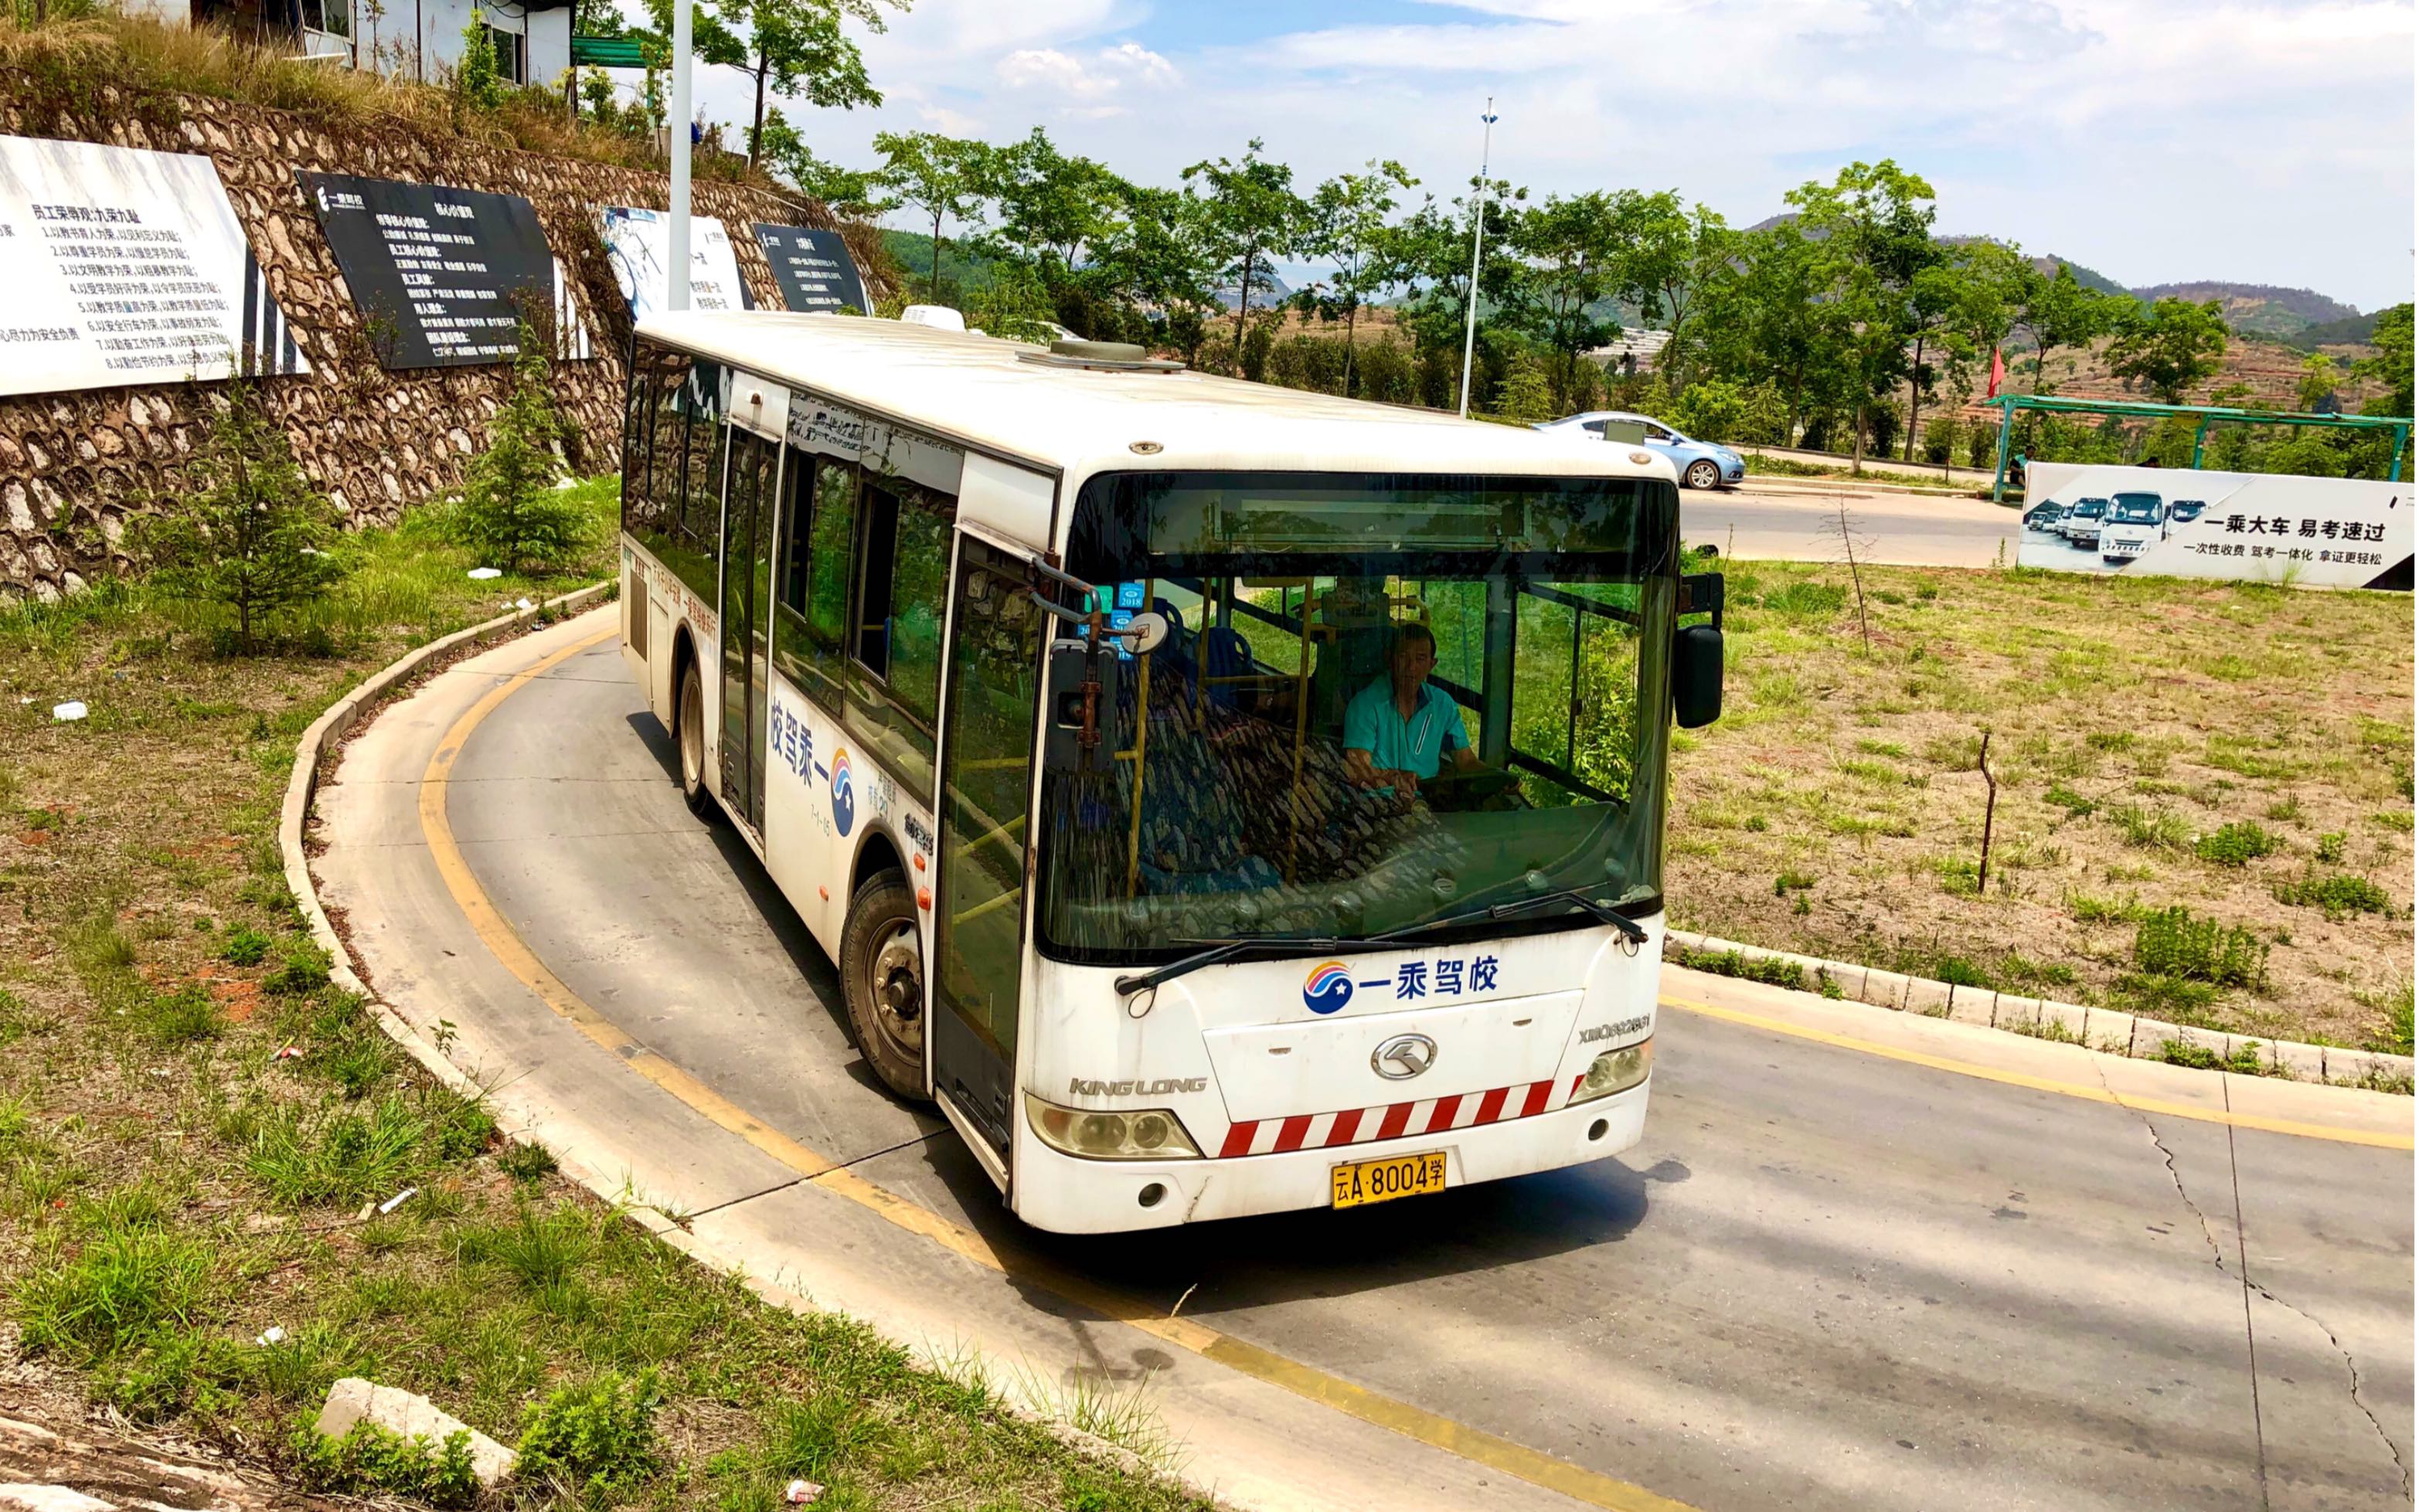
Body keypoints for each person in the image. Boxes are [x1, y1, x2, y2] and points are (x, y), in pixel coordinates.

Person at [1343, 623, 1481, 800]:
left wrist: (1499, 777)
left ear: (1432, 665)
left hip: (1427, 804)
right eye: (1403, 657)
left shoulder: (1442, 704)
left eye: (1421, 659)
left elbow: (1466, 762)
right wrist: (1394, 778)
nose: (1411, 667)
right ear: (1389, 660)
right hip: (1376, 804)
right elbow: (1357, 770)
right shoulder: (1366, 705)